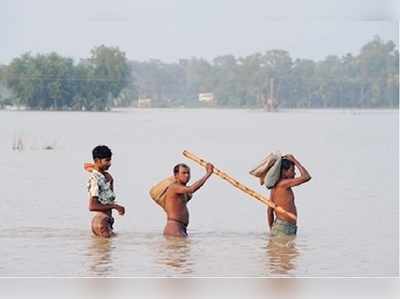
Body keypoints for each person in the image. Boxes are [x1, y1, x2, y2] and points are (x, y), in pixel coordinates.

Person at [163, 163, 214, 238]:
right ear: (176, 175)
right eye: (183, 173)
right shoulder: (174, 187)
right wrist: (208, 174)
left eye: (188, 173)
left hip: (181, 228)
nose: (187, 175)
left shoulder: (182, 190)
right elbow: (191, 189)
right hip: (174, 228)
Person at [87, 145, 125, 238]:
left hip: (104, 220)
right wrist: (115, 206)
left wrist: (109, 180)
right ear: (97, 161)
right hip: (101, 221)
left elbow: (107, 200)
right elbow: (92, 206)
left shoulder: (103, 177)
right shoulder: (95, 179)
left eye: (110, 160)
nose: (110, 163)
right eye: (107, 160)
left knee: (105, 250)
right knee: (106, 250)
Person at [267, 154, 311, 236]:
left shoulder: (275, 187)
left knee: (281, 249)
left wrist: (271, 229)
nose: (294, 173)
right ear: (284, 171)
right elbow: (306, 177)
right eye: (292, 170)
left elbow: (270, 210)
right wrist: (295, 161)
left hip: (281, 226)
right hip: (284, 227)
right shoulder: (283, 184)